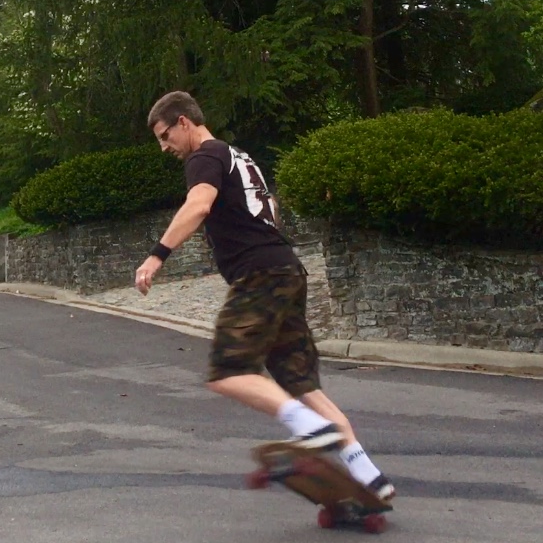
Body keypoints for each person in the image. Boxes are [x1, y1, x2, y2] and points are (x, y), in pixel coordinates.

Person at [134, 91, 395, 500]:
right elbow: (270, 208)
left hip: (260, 276)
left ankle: (311, 428)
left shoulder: (203, 156)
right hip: (287, 270)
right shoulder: (238, 156)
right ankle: (370, 477)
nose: (165, 147)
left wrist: (156, 256)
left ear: (184, 121)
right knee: (300, 382)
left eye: (165, 136)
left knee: (228, 370)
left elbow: (199, 205)